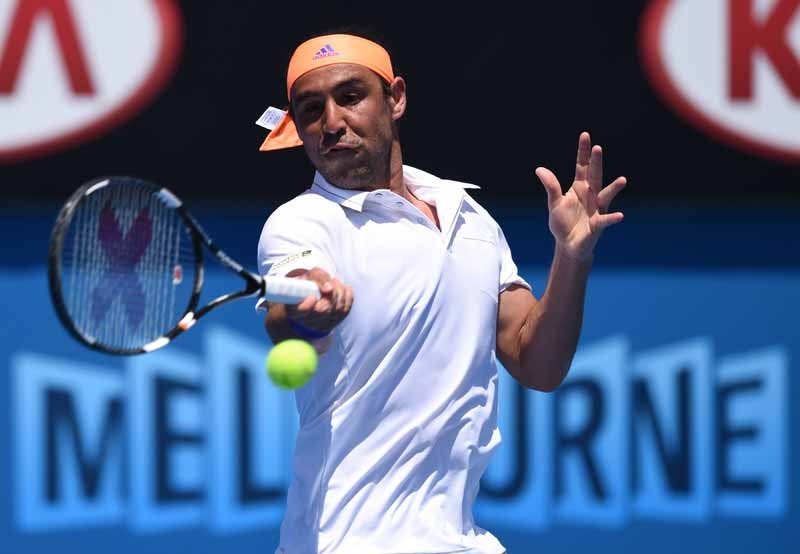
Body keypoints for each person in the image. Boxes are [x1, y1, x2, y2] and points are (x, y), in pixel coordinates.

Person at [255, 30, 626, 554]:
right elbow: (287, 311)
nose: (332, 122)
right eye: (311, 109)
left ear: (396, 98)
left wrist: (572, 257)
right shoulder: (300, 223)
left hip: (460, 540)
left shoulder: (467, 215)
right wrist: (308, 312)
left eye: (350, 96)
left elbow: (537, 363)